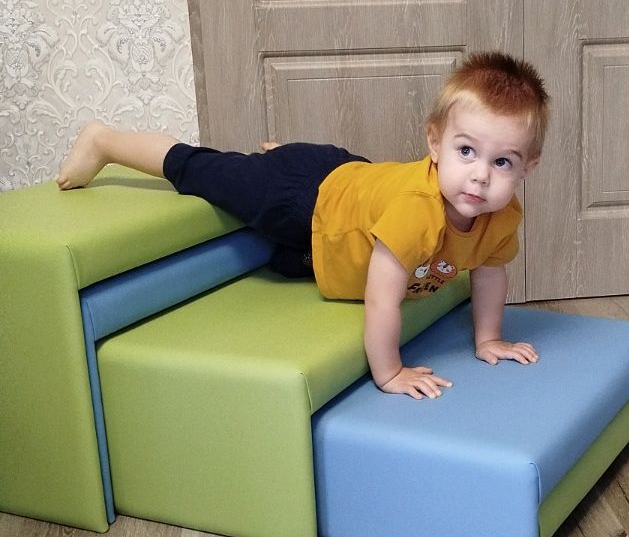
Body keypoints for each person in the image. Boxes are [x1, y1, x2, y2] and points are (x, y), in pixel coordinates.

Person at [57, 51, 549, 399]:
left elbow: (490, 273)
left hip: (346, 202)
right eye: (466, 151)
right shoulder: (416, 210)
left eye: (502, 162)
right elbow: (382, 297)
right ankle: (105, 140)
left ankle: (283, 153)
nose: (481, 175)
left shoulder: (501, 215)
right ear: (434, 143)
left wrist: (489, 338)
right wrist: (390, 372)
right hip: (304, 198)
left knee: (279, 256)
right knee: (203, 171)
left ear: (528, 167)